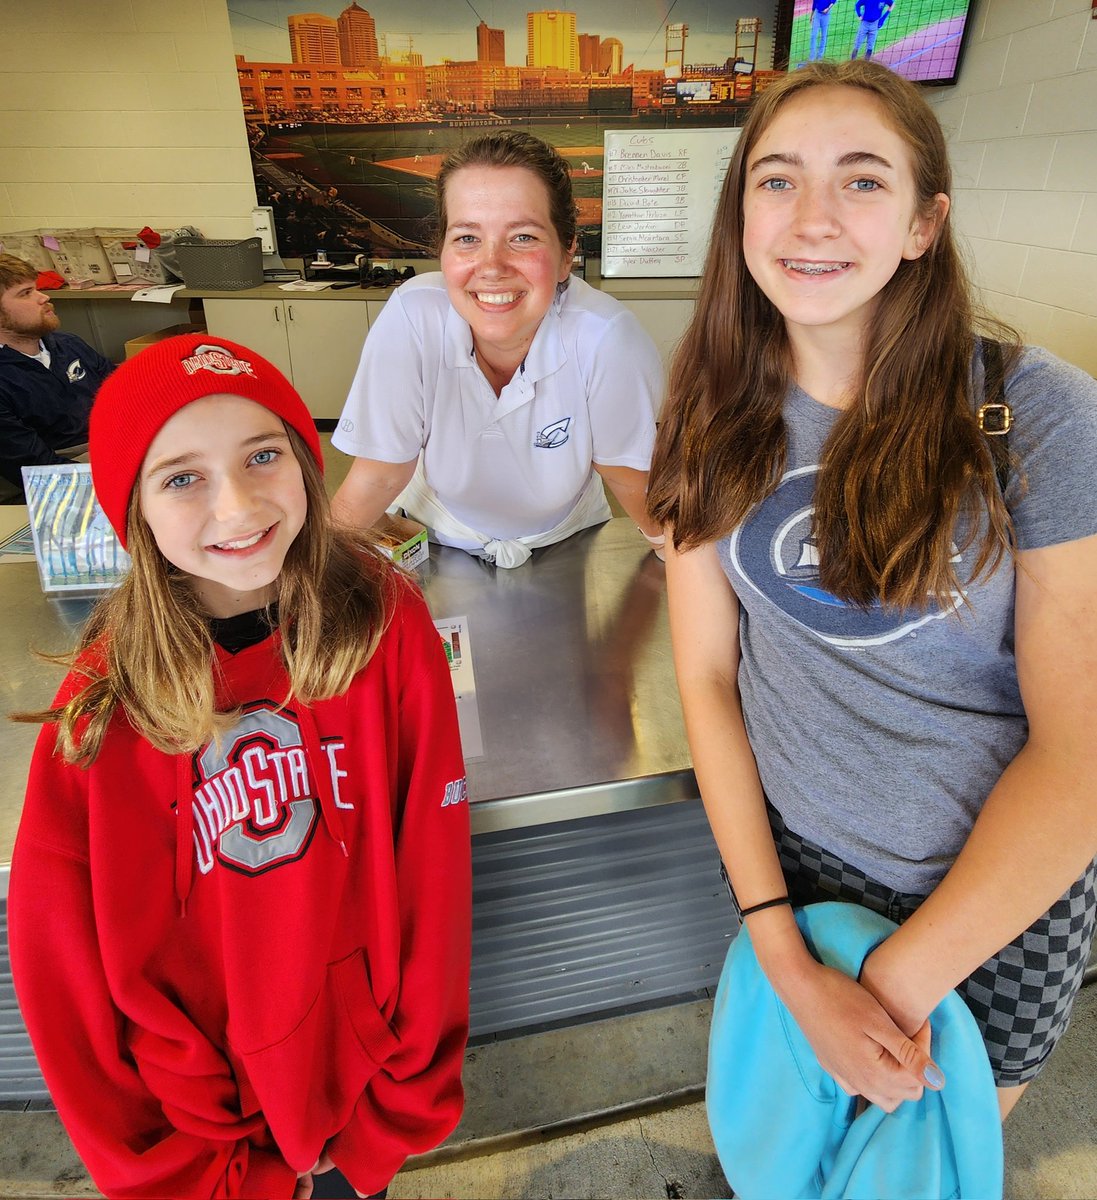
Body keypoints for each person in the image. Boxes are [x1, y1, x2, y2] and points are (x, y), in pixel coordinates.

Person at [647, 60, 1097, 1124]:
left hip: (994, 903)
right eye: (774, 180)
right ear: (738, 213)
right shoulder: (705, 408)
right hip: (794, 871)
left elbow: (1077, 752)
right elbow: (706, 680)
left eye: (859, 181)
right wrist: (785, 958)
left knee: (909, 1167)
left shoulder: (1035, 414)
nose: (810, 218)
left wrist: (883, 993)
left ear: (920, 224)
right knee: (788, 1156)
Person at [9, 334, 471, 1199]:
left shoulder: (385, 623)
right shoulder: (107, 699)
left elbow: (432, 875)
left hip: (358, 1093)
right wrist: (181, 1169)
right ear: (132, 509)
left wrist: (396, 1109)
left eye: (263, 456)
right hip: (202, 1135)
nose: (237, 506)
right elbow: (62, 969)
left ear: (304, 460)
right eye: (181, 477)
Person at [331, 130, 665, 569]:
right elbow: (380, 472)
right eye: (467, 238)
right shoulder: (413, 317)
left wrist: (668, 550)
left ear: (567, 254)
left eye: (523, 237)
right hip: (432, 537)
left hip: (569, 544)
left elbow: (627, 475)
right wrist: (318, 571)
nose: (491, 266)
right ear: (443, 251)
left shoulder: (606, 337)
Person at [0, 253, 114, 495]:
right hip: (64, 479)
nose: (44, 297)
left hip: (112, 450)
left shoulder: (68, 344)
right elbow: (38, 470)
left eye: (37, 288)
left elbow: (123, 390)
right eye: (26, 293)